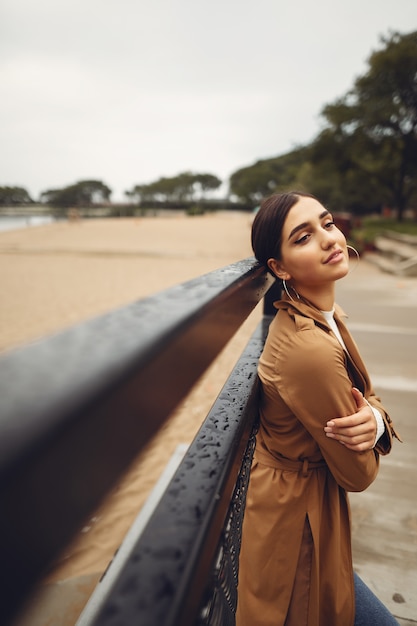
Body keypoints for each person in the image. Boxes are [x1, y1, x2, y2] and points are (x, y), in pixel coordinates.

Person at [236, 191, 401, 626]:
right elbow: (357, 473)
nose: (330, 239)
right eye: (304, 236)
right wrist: (374, 418)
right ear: (280, 267)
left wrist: (377, 419)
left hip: (304, 506)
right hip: (296, 527)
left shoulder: (321, 314)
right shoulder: (308, 349)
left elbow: (365, 397)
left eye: (327, 224)